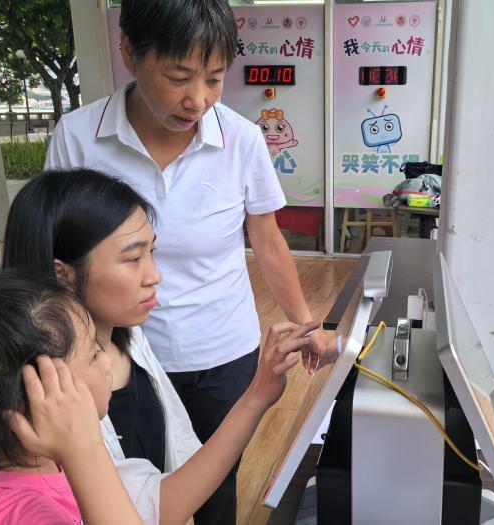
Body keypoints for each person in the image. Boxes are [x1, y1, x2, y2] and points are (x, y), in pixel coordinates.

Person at [45, 1, 330, 522]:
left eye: (215, 79)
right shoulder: (79, 136)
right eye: (178, 77)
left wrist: (307, 324)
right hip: (119, 356)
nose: (197, 99)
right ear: (129, 52)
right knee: (126, 492)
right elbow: (54, 254)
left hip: (222, 350)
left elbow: (268, 242)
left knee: (216, 487)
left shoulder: (241, 139)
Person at [3, 168, 320, 524]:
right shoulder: (48, 421)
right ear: (62, 273)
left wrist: (260, 392)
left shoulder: (132, 340)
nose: (155, 275)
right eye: (132, 258)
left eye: (151, 252)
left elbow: (161, 499)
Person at [0, 271, 142, 524]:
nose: (107, 362)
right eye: (93, 354)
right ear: (37, 398)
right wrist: (85, 451)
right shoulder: (23, 514)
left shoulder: (57, 457)